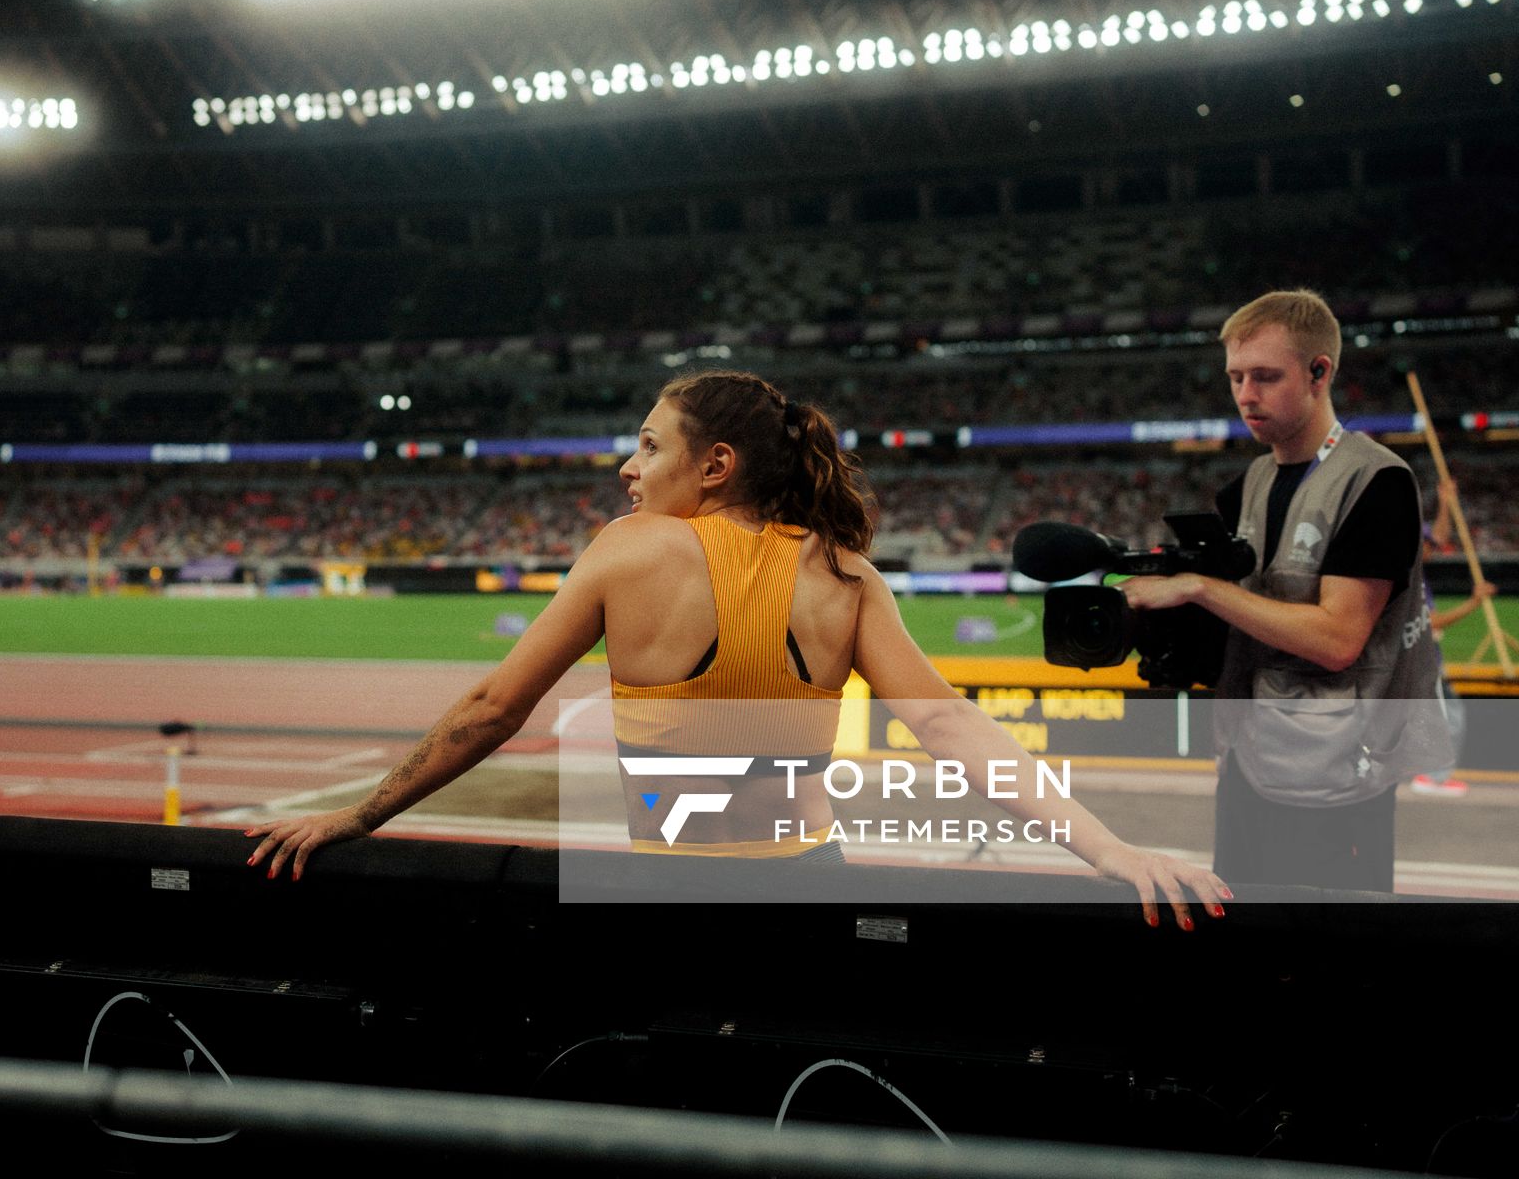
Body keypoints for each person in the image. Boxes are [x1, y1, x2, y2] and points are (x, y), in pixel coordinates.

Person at [248, 370, 1229, 929]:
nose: (627, 468)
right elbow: (946, 724)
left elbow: (491, 711)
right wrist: (1107, 845)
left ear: (714, 466)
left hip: (675, 894)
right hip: (815, 883)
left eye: (648, 446)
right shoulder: (845, 572)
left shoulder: (630, 550)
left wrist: (360, 813)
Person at [1121, 290, 1450, 891]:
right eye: (1236, 377)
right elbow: (1246, 622)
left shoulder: (1377, 482)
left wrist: (1200, 590)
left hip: (1338, 780)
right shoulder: (1249, 483)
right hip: (1249, 761)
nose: (1247, 395)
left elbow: (1337, 639)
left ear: (1320, 371)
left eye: (1266, 377)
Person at [1410, 479, 1499, 796]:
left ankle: (1426, 774)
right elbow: (1432, 620)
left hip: (1421, 659)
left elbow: (1439, 536)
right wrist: (1474, 603)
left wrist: (1446, 502)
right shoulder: (1411, 580)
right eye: (1425, 544)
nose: (1431, 547)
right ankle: (1432, 777)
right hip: (1422, 660)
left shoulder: (1414, 571)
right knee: (1446, 715)